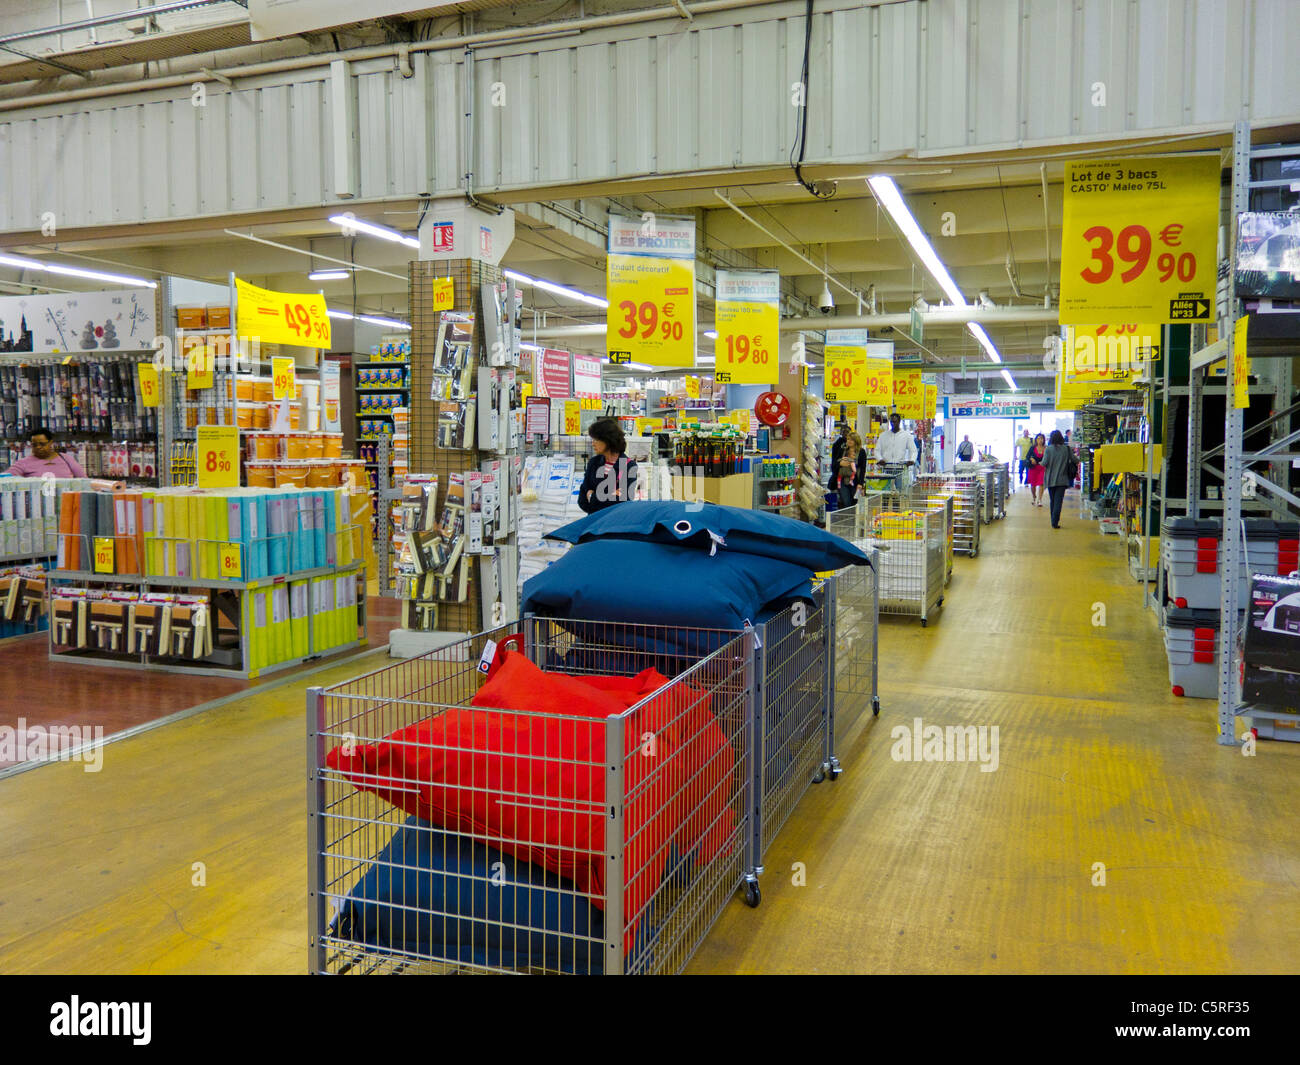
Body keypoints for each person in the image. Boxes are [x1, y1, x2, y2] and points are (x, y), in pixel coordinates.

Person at [578, 417, 638, 513]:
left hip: (614, 524)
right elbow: (582, 499)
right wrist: (609, 495)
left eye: (596, 440)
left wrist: (592, 496)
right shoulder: (594, 463)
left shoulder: (628, 466)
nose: (593, 444)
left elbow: (622, 501)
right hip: (594, 522)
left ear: (608, 440)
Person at [2, 426, 87, 478]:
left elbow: (84, 480)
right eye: (34, 445)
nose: (38, 447)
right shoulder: (23, 463)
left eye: (42, 444)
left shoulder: (66, 459)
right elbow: (6, 478)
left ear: (51, 443)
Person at [1042, 429, 1076, 529]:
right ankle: (1055, 522)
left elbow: (1044, 463)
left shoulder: (1048, 449)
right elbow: (1075, 459)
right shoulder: (1066, 449)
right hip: (1062, 479)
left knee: (1052, 501)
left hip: (1050, 479)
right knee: (1058, 501)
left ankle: (1053, 520)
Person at [876, 412, 915, 487]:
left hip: (900, 468)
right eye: (891, 422)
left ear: (899, 421)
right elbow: (877, 450)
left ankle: (898, 498)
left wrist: (912, 460)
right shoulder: (883, 435)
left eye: (895, 422)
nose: (893, 424)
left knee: (899, 491)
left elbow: (913, 450)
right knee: (886, 490)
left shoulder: (906, 435)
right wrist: (880, 459)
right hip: (886, 468)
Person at [829, 431, 867, 509]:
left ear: (856, 441)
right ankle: (848, 520)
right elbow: (834, 465)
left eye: (851, 439)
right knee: (846, 503)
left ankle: (853, 520)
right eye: (848, 439)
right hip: (842, 480)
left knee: (854, 503)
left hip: (855, 481)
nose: (849, 441)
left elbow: (863, 469)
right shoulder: (842, 450)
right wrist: (840, 464)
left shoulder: (862, 452)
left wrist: (860, 483)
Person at [1024, 432, 1047, 507]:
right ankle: (1034, 497)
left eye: (1042, 438)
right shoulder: (1032, 448)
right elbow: (1027, 456)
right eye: (1038, 438)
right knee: (1033, 485)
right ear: (1036, 439)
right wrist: (1031, 459)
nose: (1040, 440)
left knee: (1041, 484)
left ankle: (1040, 500)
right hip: (1033, 468)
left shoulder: (1046, 448)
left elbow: (1048, 458)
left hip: (1042, 468)